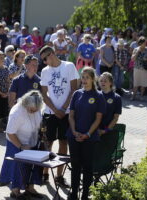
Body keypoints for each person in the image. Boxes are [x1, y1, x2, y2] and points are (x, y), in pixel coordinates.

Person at [40, 45, 79, 186]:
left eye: (46, 57)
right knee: (47, 144)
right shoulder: (44, 71)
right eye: (43, 59)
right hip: (50, 113)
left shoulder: (69, 66)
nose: (45, 61)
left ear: (52, 54)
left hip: (67, 112)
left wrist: (63, 108)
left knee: (63, 142)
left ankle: (59, 176)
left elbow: (74, 89)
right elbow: (44, 94)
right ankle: (44, 174)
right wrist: (56, 110)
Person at [67, 67, 106, 200]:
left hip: (90, 138)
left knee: (87, 167)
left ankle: (85, 195)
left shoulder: (99, 96)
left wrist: (88, 134)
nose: (84, 80)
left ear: (93, 79)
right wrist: (74, 131)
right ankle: (73, 194)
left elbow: (98, 118)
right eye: (82, 77)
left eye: (87, 77)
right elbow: (71, 115)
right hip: (74, 136)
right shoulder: (77, 94)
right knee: (75, 166)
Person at [0, 90, 44, 200]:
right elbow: (10, 132)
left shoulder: (36, 108)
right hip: (15, 141)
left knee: (33, 165)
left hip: (31, 140)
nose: (34, 112)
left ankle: (30, 188)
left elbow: (38, 122)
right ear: (26, 104)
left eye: (36, 110)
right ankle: (15, 191)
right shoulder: (17, 113)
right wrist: (21, 146)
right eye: (31, 110)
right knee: (18, 166)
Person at [130, 36, 147, 100]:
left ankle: (141, 96)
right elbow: (132, 59)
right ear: (140, 43)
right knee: (136, 83)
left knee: (143, 83)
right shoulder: (136, 49)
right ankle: (133, 96)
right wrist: (137, 52)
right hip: (137, 68)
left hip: (145, 69)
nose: (145, 44)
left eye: (146, 42)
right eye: (144, 43)